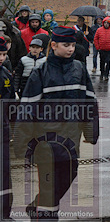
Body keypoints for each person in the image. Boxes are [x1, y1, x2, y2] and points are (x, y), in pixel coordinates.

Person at [17, 26, 98, 220]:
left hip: (70, 138)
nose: (71, 49)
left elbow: (89, 102)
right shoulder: (40, 72)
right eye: (66, 45)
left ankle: (36, 207)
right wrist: (23, 143)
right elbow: (27, 109)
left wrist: (91, 132)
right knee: (49, 186)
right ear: (53, 45)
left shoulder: (79, 69)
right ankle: (45, 216)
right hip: (45, 142)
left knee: (69, 174)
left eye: (73, 45)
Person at [0, 38, 15, 220]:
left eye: (4, 54)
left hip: (2, 131)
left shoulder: (5, 74)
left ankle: (4, 213)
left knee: (4, 174)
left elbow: (10, 103)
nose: (1, 58)